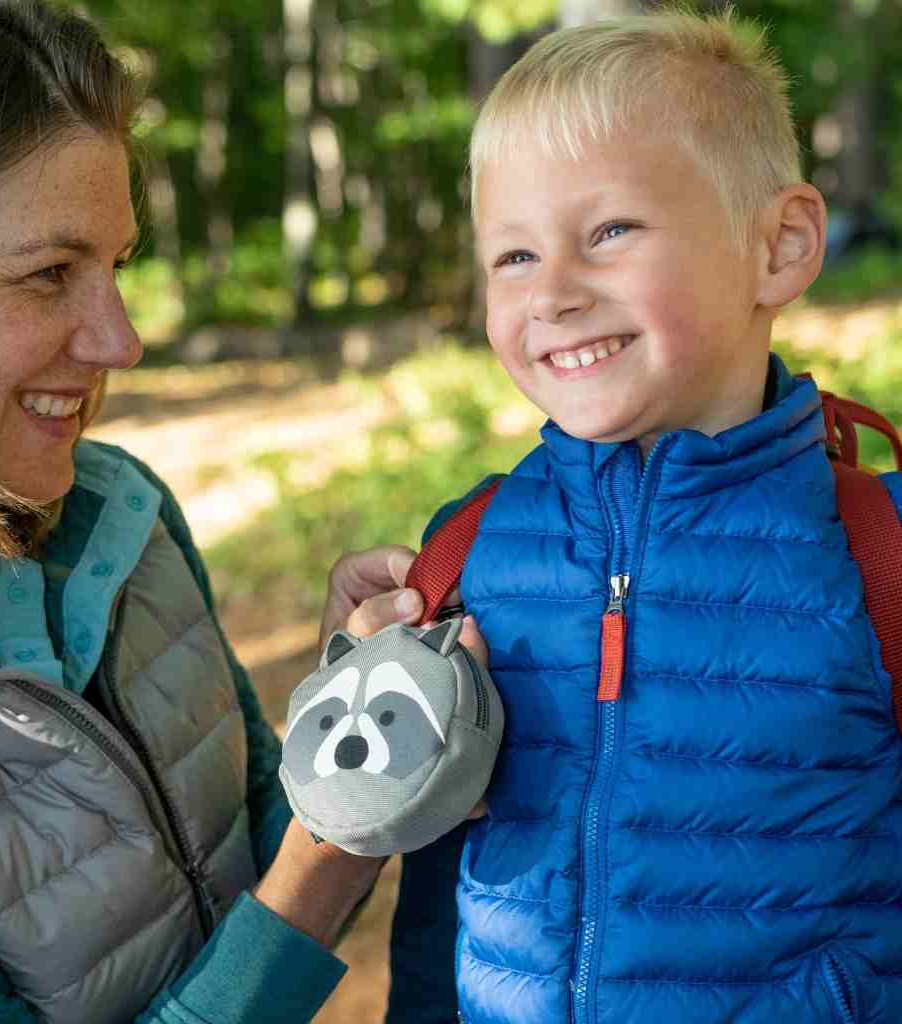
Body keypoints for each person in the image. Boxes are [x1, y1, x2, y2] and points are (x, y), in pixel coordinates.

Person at [0, 1, 430, 1021]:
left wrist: (343, 714)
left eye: (117, 267)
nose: (121, 341)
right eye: (50, 274)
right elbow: (302, 886)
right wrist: (337, 838)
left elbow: (263, 891)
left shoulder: (122, 518)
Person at [385, 8, 902, 1023]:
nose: (555, 293)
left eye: (609, 231)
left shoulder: (876, 555)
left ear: (780, 247)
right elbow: (431, 893)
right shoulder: (470, 550)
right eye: (513, 257)